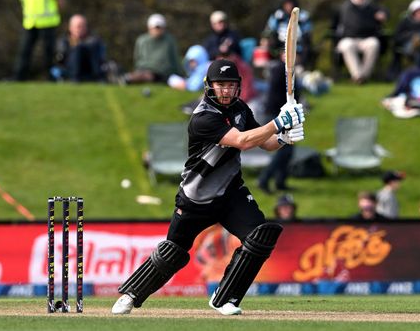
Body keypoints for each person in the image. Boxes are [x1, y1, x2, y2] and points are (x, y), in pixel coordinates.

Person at [111, 59, 305, 316]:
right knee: (173, 253)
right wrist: (278, 123)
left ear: (238, 87)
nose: (226, 90)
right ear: (209, 86)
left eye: (231, 85)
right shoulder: (203, 117)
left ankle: (226, 298)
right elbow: (242, 141)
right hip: (196, 198)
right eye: (221, 85)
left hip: (230, 193)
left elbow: (263, 141)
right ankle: (131, 294)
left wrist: (283, 137)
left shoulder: (241, 109)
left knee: (260, 235)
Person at [257, 52, 301, 194]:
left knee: (288, 151)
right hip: (276, 114)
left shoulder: (289, 70)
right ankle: (264, 179)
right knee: (284, 150)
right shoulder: (280, 70)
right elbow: (279, 95)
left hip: (285, 114)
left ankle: (280, 182)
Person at [332, 0, 388, 83]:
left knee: (374, 43)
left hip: (367, 39)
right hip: (349, 39)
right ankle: (357, 76)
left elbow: (384, 11)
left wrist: (383, 14)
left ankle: (364, 76)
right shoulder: (344, 7)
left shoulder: (371, 6)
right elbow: (334, 25)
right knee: (347, 45)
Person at [122, 13, 184, 84]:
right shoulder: (142, 40)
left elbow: (175, 59)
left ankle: (128, 78)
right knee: (146, 75)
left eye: (159, 27)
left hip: (165, 74)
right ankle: (128, 78)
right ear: (149, 28)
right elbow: (137, 58)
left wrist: (180, 74)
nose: (157, 30)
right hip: (144, 70)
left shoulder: (170, 41)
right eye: (155, 27)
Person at [12, 0, 64, 81]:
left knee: (49, 53)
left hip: (48, 23)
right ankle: (19, 77)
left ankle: (51, 77)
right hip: (30, 23)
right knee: (24, 52)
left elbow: (61, 2)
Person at [263, 0, 315, 70]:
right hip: (280, 49)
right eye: (287, 4)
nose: (289, 6)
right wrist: (279, 53)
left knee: (307, 46)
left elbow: (307, 38)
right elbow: (268, 33)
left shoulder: (303, 16)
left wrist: (299, 57)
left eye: (290, 3)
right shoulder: (277, 16)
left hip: (298, 49)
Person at [52, 14, 106, 82]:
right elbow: (60, 59)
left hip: (90, 69)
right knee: (77, 49)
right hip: (70, 70)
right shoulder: (63, 41)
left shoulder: (94, 41)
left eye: (82, 26)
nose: (80, 29)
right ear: (70, 27)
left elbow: (101, 58)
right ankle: (75, 79)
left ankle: (98, 79)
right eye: (78, 26)